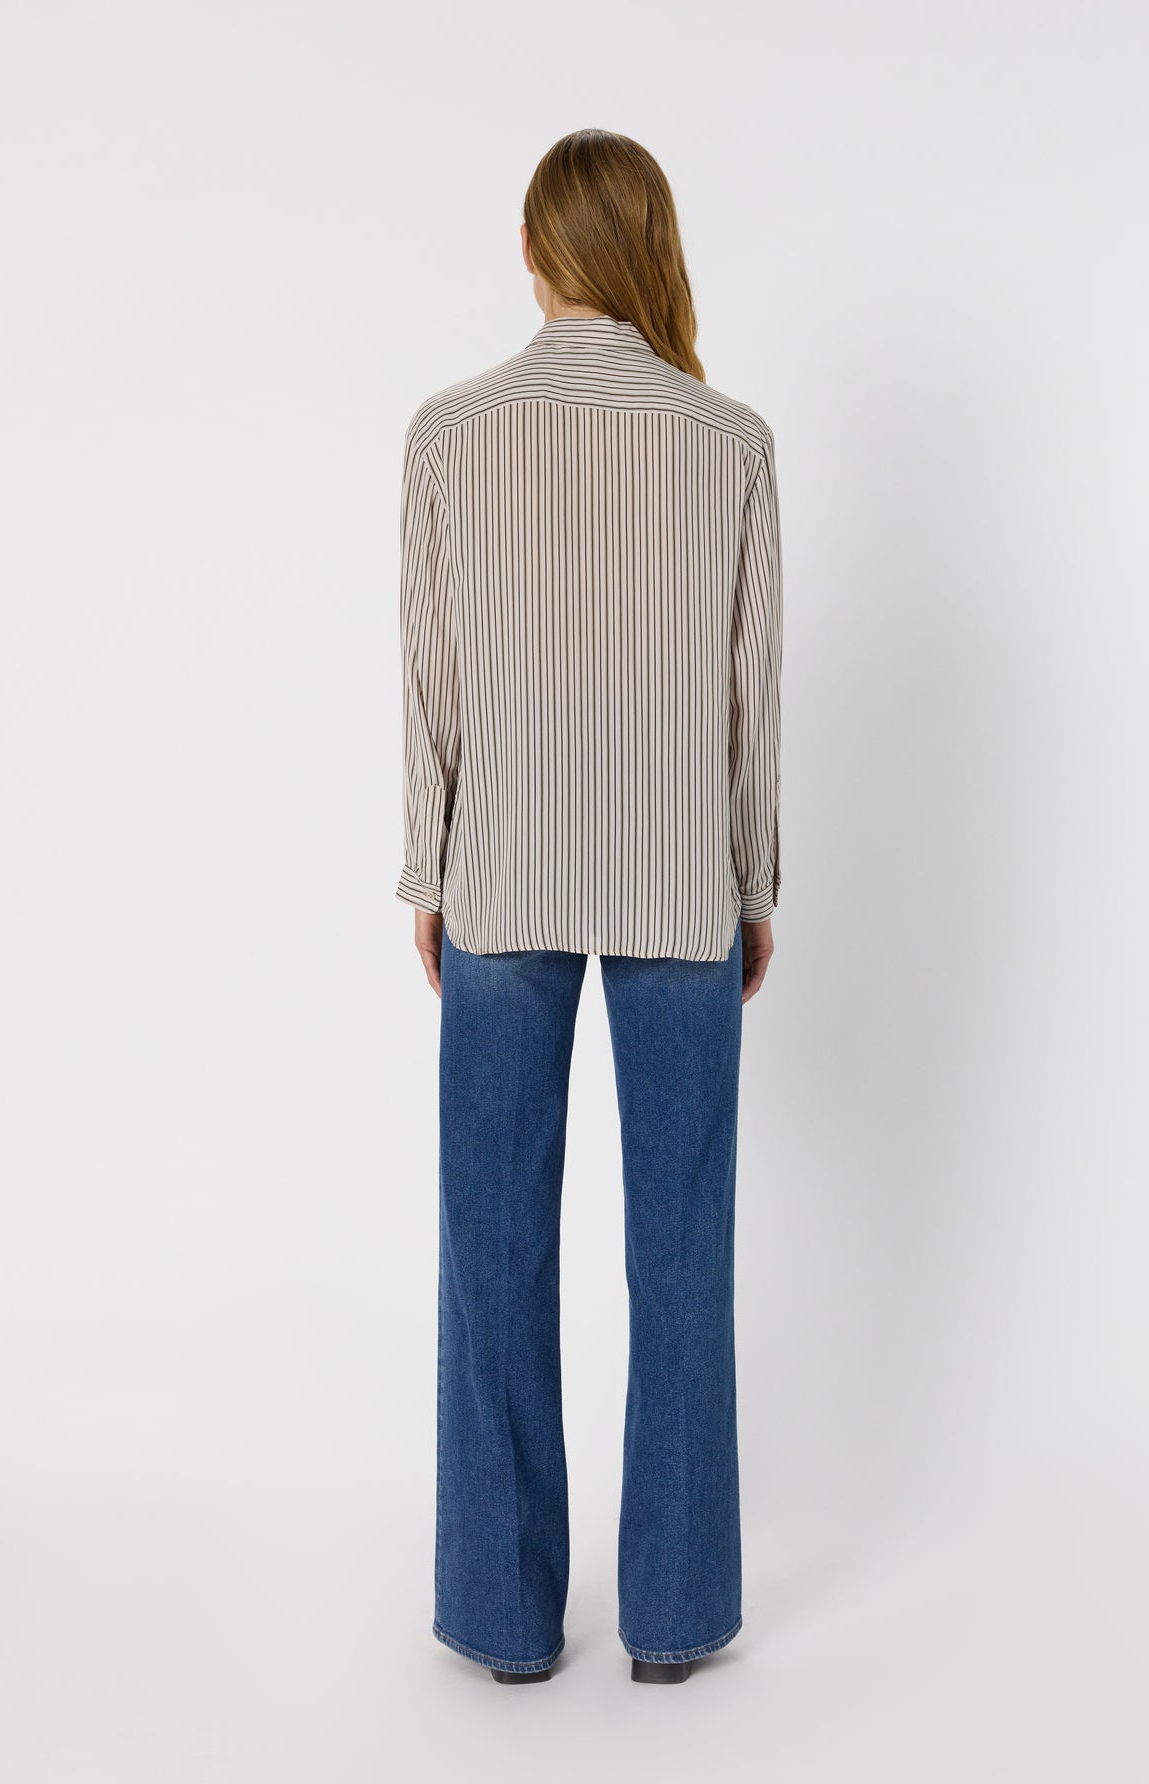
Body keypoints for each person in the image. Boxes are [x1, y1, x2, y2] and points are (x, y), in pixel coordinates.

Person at [395, 128, 783, 1685]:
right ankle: (674, 1623)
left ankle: (502, 1622)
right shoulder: (728, 438)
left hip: (500, 869)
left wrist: (428, 870)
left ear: (529, 247)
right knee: (683, 1250)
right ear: (653, 247)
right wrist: (751, 882)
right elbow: (752, 693)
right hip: (681, 875)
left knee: (489, 1247)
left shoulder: (448, 433)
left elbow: (428, 679)